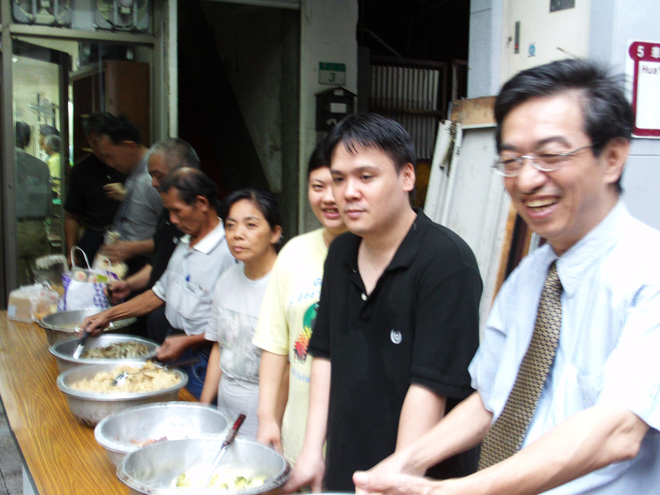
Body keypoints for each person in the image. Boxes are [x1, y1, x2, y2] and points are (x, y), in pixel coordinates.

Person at [353, 59, 660, 495]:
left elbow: (619, 430)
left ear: (612, 158)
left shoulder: (650, 272)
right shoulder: (530, 277)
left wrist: (459, 491)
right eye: (512, 161)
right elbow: (491, 398)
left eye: (551, 155)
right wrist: (403, 465)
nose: (528, 179)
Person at [286, 113, 482, 492]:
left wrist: (396, 480)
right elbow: (323, 353)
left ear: (407, 177)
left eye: (366, 177)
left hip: (419, 478)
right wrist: (312, 450)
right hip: (347, 465)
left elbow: (430, 388)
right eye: (339, 179)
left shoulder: (446, 261)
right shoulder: (341, 252)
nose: (347, 192)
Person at [83, 168, 236, 399]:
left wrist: (190, 341)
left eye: (177, 210)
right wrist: (108, 316)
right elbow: (159, 294)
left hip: (204, 361)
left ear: (202, 203)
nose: (172, 220)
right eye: (169, 211)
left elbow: (236, 327)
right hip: (176, 347)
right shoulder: (185, 243)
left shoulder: (229, 252)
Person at [252, 142, 347, 464]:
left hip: (357, 442)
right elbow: (275, 345)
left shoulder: (377, 255)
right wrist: (268, 418)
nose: (329, 198)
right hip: (298, 435)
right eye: (318, 186)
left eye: (337, 183)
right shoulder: (294, 252)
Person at [199, 189, 283, 437]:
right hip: (226, 410)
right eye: (230, 225)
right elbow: (219, 347)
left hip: (269, 417)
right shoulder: (226, 280)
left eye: (251, 225)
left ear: (275, 233)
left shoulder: (286, 284)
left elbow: (290, 367)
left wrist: (272, 422)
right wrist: (203, 408)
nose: (237, 234)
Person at [105, 138, 201, 343]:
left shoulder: (209, 230)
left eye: (158, 175)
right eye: (151, 176)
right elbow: (159, 264)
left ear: (184, 170)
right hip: (162, 322)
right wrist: (129, 284)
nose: (154, 183)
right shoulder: (168, 216)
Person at [97, 114, 162, 275]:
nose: (109, 164)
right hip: (128, 263)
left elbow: (176, 235)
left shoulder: (152, 178)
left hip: (147, 265)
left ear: (129, 146)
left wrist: (134, 247)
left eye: (110, 156)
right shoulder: (133, 173)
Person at [64, 112, 126, 265]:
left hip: (125, 236)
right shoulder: (80, 170)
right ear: (88, 140)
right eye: (95, 142)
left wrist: (125, 194)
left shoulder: (127, 164)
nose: (100, 147)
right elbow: (72, 215)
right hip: (93, 236)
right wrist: (71, 251)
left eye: (104, 140)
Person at [15, 121, 51, 286]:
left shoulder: (5, 164)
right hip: (36, 229)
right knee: (43, 280)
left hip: (10, 229)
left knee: (15, 284)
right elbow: (48, 203)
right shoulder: (41, 166)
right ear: (28, 141)